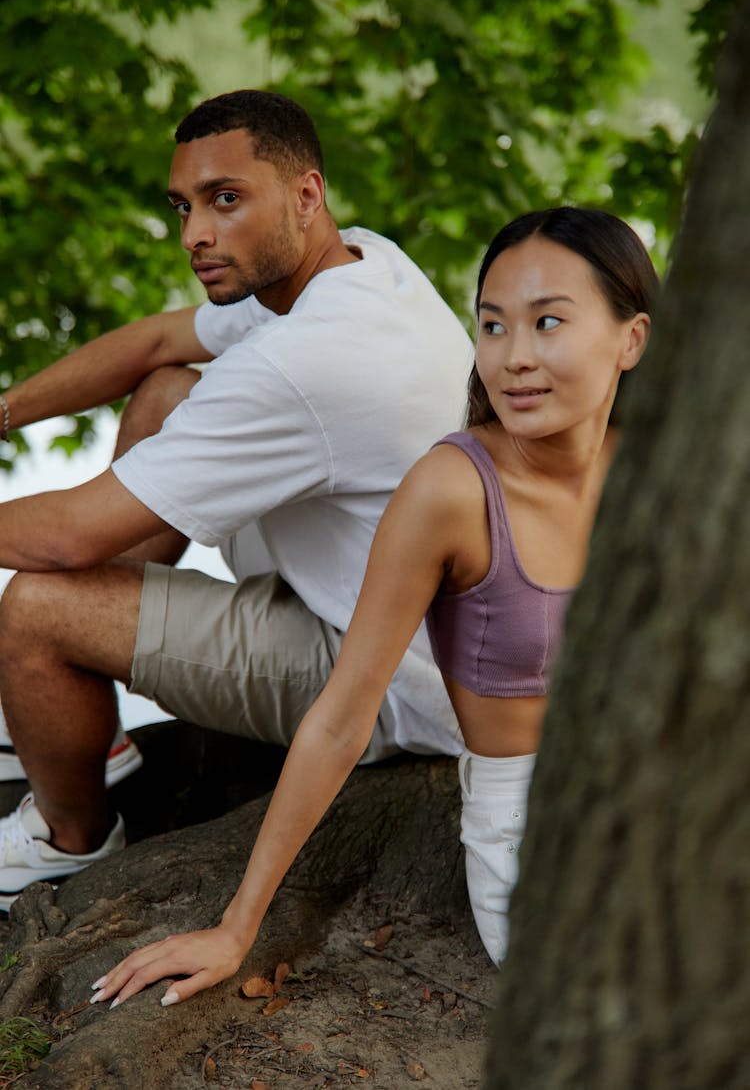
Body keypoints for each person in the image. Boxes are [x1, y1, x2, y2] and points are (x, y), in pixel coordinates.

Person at [88, 206, 658, 1010]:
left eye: (548, 322)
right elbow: (341, 716)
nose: (515, 358)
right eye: (493, 327)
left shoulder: (660, 473)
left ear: (630, 339)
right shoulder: (453, 491)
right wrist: (236, 925)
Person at [0, 90, 474, 908]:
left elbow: (70, 537)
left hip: (382, 674)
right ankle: (79, 704)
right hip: (366, 588)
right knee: (164, 392)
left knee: (36, 606)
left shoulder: (305, 360)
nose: (196, 235)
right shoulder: (366, 261)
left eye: (226, 200)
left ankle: (67, 837)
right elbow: (156, 341)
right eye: (184, 207)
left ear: (305, 194)